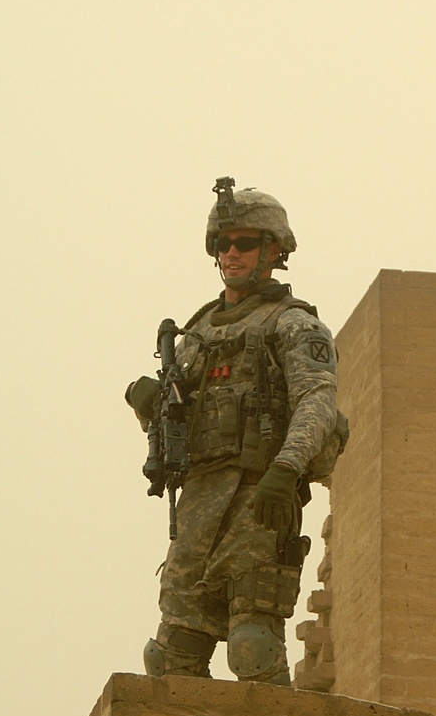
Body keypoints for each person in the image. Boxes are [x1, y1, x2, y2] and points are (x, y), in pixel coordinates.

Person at [126, 179, 343, 686]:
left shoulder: (292, 325)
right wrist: (150, 406)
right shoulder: (197, 333)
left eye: (244, 243)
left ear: (273, 249)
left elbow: (318, 402)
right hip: (198, 505)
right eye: (223, 244)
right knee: (170, 655)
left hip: (258, 501)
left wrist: (285, 469)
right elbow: (178, 423)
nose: (231, 253)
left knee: (253, 647)